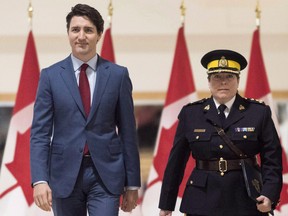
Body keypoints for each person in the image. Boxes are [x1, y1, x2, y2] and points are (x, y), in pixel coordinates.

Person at [30, 4, 141, 216]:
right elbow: (40, 134)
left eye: (88, 30)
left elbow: (128, 132)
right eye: (75, 30)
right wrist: (39, 179)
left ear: (99, 34)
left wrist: (132, 184)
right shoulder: (50, 76)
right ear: (68, 33)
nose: (81, 36)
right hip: (64, 175)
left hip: (106, 175)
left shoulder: (118, 75)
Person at [158, 49, 283, 216]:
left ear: (238, 81)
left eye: (229, 77)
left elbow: (272, 159)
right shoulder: (191, 113)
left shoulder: (257, 112)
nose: (223, 82)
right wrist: (166, 204)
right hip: (201, 199)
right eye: (217, 77)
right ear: (209, 81)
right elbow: (176, 163)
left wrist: (269, 195)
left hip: (245, 199)